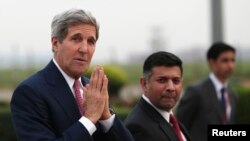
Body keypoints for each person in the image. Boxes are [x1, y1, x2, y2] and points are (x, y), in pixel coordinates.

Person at [10, 9, 134, 141]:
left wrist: (106, 117)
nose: (84, 49)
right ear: (55, 43)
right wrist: (89, 119)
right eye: (76, 39)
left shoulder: (92, 90)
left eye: (91, 41)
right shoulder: (29, 92)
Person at [176, 42, 238, 141]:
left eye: (233, 60)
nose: (230, 65)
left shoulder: (232, 95)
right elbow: (179, 127)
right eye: (225, 60)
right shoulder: (196, 92)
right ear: (212, 63)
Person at [125, 51, 192, 141]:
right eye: (162, 80)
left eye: (176, 81)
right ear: (144, 84)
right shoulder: (138, 127)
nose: (171, 88)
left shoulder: (172, 120)